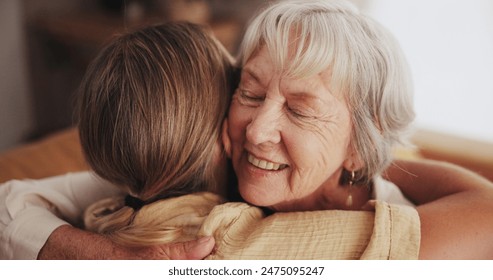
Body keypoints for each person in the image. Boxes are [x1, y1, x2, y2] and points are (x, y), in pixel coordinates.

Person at [1, 0, 492, 259]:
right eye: (251, 93)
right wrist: (102, 257)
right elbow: (10, 204)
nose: (257, 131)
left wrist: (375, 155)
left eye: (300, 110)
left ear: (360, 143)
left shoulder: (406, 240)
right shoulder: (195, 174)